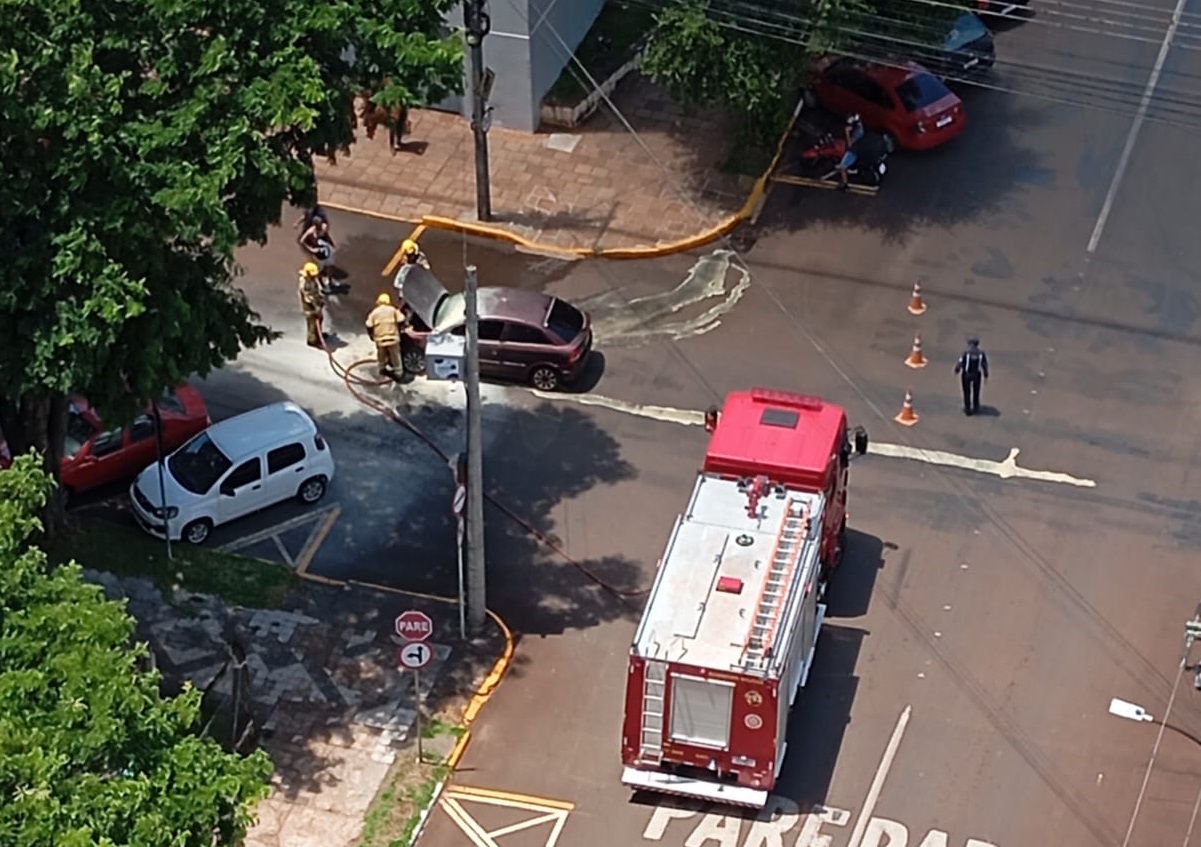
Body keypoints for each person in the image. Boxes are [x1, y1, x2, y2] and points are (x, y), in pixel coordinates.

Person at [365, 292, 406, 377]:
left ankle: (382, 369)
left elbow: (368, 325)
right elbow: (401, 319)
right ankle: (398, 372)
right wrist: (400, 328)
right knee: (395, 356)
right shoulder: (393, 310)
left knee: (381, 354)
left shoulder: (374, 312)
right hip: (393, 338)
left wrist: (371, 336)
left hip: (380, 340)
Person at [954, 336, 990, 416]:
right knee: (976, 391)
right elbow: (984, 365)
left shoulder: (966, 353)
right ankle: (976, 407)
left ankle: (968, 409)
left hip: (967, 374)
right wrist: (986, 375)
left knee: (967, 392)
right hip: (977, 374)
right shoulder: (981, 353)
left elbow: (961, 362)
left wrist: (957, 370)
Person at [299, 217, 336, 292]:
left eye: (321, 223)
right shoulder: (311, 232)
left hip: (326, 250)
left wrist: (332, 244)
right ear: (315, 225)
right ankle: (321, 285)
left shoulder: (323, 228)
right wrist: (311, 249)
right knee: (319, 271)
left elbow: (327, 236)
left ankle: (329, 281)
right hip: (318, 254)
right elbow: (301, 241)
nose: (321, 225)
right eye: (319, 224)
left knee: (330, 266)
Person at [298, 262, 326, 348]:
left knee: (320, 318)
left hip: (315, 302)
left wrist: (320, 299)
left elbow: (316, 291)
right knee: (312, 322)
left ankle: (318, 334)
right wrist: (316, 306)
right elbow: (308, 297)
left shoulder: (311, 280)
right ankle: (312, 340)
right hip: (309, 306)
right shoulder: (305, 283)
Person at [837, 113, 865, 190]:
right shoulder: (860, 127)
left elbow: (850, 144)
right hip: (859, 148)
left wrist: (847, 132)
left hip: (854, 152)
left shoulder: (857, 133)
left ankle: (845, 184)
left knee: (842, 166)